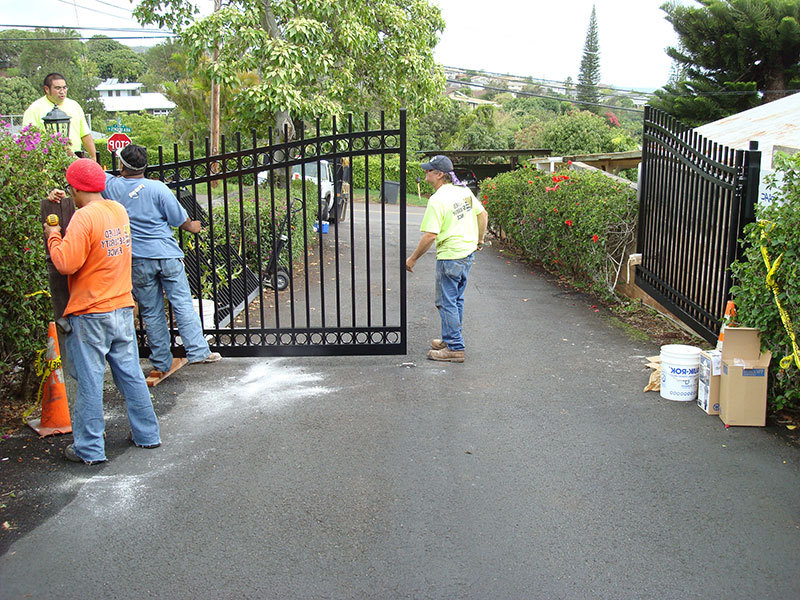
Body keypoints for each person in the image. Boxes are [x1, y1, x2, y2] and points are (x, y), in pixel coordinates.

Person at [44, 159, 161, 464]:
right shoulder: (117, 210)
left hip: (91, 311)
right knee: (132, 375)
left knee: (91, 381)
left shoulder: (83, 219)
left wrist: (52, 235)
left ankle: (90, 449)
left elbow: (66, 263)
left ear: (74, 188)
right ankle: (147, 434)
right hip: (121, 306)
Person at [102, 144, 220, 377]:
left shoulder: (112, 187)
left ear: (122, 165)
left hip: (138, 259)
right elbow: (179, 219)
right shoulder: (158, 188)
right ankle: (198, 351)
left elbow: (91, 174)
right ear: (145, 165)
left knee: (151, 310)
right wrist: (193, 227)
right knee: (182, 302)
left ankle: (161, 362)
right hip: (166, 254)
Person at [406, 155, 488, 363]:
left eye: (429, 170)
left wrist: (413, 259)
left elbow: (430, 235)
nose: (426, 173)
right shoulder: (464, 191)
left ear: (440, 174)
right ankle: (449, 339)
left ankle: (455, 348)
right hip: (467, 253)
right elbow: (483, 214)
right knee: (456, 299)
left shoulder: (438, 199)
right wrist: (479, 240)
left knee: (446, 301)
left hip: (451, 256)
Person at [23, 72, 97, 159]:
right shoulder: (34, 109)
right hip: (49, 162)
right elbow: (29, 139)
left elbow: (85, 135)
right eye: (57, 88)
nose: (62, 91)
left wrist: (94, 157)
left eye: (64, 88)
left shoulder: (74, 105)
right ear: (47, 89)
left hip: (76, 160)